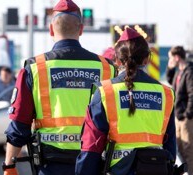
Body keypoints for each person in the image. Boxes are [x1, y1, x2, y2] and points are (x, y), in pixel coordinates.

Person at [2, 0, 116, 175]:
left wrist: (9, 166)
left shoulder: (35, 68)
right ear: (81, 30)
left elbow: (20, 124)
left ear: (50, 29)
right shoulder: (107, 67)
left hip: (51, 166)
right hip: (95, 164)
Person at [75, 27, 176, 175]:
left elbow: (92, 147)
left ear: (116, 60)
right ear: (147, 59)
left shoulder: (105, 92)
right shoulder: (166, 93)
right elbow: (170, 147)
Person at [166, 46, 193, 174]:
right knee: (180, 148)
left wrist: (188, 114)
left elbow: (192, 94)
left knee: (188, 149)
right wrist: (170, 68)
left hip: (187, 118)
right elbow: (171, 82)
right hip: (179, 116)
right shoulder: (179, 71)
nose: (170, 60)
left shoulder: (189, 71)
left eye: (171, 57)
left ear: (177, 57)